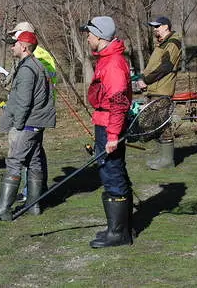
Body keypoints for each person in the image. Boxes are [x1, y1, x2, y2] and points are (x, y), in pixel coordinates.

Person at [0, 31, 56, 220]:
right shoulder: (37, 65)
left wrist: (18, 125)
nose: (11, 47)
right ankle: (33, 205)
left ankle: (3, 209)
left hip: (28, 124)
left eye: (14, 44)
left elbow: (23, 102)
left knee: (14, 162)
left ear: (23, 46)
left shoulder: (27, 69)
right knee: (34, 161)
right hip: (37, 122)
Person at [80, 16, 133, 248]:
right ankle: (117, 228)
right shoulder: (105, 59)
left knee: (112, 173)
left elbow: (119, 103)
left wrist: (112, 136)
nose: (88, 37)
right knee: (111, 172)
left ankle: (119, 234)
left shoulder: (113, 64)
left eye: (90, 34)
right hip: (103, 121)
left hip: (110, 124)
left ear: (100, 37)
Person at [136, 16, 182, 170]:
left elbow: (166, 67)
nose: (155, 29)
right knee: (156, 125)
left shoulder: (172, 43)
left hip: (162, 90)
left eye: (158, 26)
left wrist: (146, 80)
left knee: (163, 125)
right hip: (155, 89)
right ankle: (163, 158)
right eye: (154, 27)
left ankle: (167, 161)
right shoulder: (162, 44)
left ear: (166, 27)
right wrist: (143, 78)